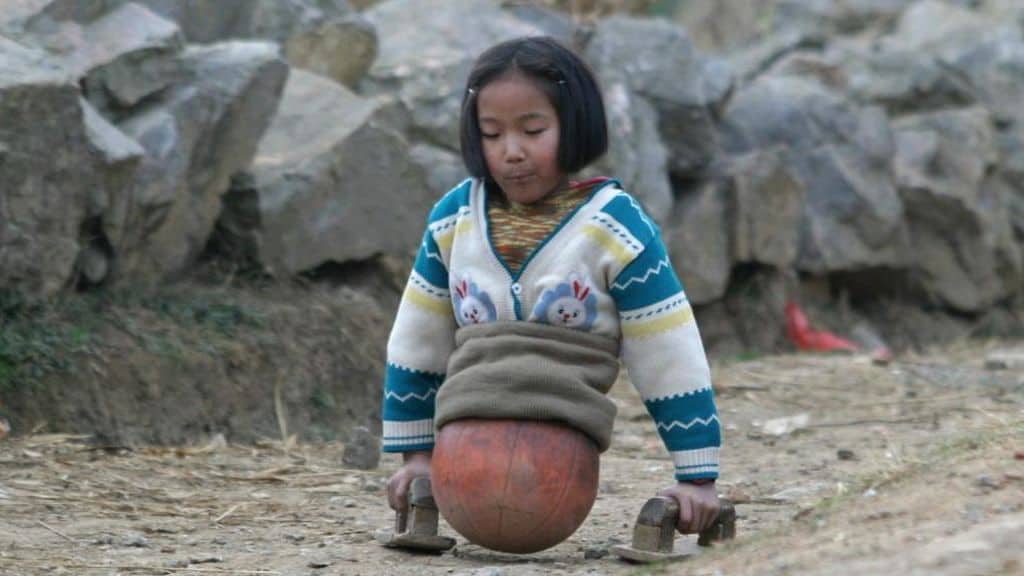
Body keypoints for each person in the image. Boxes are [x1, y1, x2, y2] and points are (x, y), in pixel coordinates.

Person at [381, 36, 722, 536]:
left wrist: (697, 477)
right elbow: (417, 339)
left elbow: (668, 350)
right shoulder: (453, 221)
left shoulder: (615, 230)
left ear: (575, 123)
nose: (511, 152)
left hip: (560, 462)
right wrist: (415, 458)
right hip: (461, 448)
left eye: (533, 129)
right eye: (491, 133)